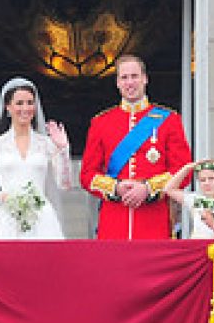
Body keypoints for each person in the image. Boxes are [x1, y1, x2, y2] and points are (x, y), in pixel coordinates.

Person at [80, 54, 192, 240]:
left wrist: (148, 188)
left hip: (153, 220)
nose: (129, 82)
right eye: (124, 77)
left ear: (145, 79)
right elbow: (87, 174)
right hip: (114, 221)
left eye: (134, 76)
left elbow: (184, 171)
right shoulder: (101, 122)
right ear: (117, 82)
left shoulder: (169, 120)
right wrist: (116, 187)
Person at [0, 77, 72, 239]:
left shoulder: (47, 144)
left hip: (41, 219)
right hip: (6, 219)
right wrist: (3, 197)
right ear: (8, 107)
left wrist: (63, 149)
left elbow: (64, 185)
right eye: (19, 103)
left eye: (29, 103)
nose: (25, 108)